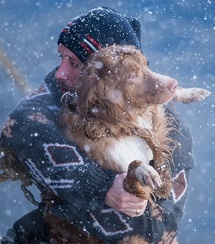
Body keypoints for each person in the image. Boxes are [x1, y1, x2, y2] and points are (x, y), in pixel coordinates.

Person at [0, 6, 194, 244]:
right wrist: (102, 185)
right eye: (62, 58)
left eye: (74, 63)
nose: (60, 73)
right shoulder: (56, 94)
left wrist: (135, 202)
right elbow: (22, 126)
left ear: (107, 78)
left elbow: (159, 227)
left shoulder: (170, 126)